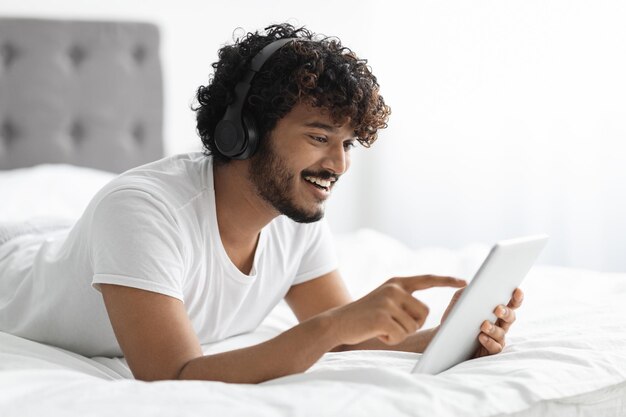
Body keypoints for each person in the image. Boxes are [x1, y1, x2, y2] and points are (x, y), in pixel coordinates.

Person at [0, 23, 523, 384]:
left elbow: (342, 340)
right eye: (319, 138)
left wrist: (451, 338)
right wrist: (333, 325)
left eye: (348, 144)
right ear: (242, 131)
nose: (338, 165)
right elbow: (173, 376)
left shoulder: (296, 210)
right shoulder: (140, 211)